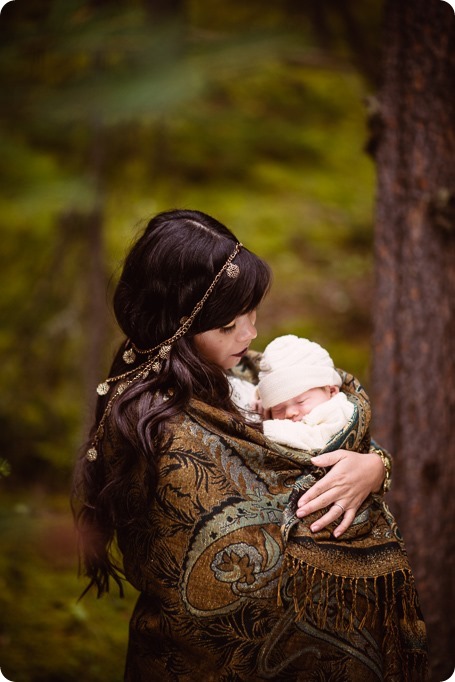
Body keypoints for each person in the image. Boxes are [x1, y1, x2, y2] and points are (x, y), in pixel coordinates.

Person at [72, 209, 427, 681]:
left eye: (251, 315)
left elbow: (326, 416)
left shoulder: (248, 374)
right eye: (228, 327)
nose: (251, 335)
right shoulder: (150, 422)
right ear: (175, 325)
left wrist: (373, 466)